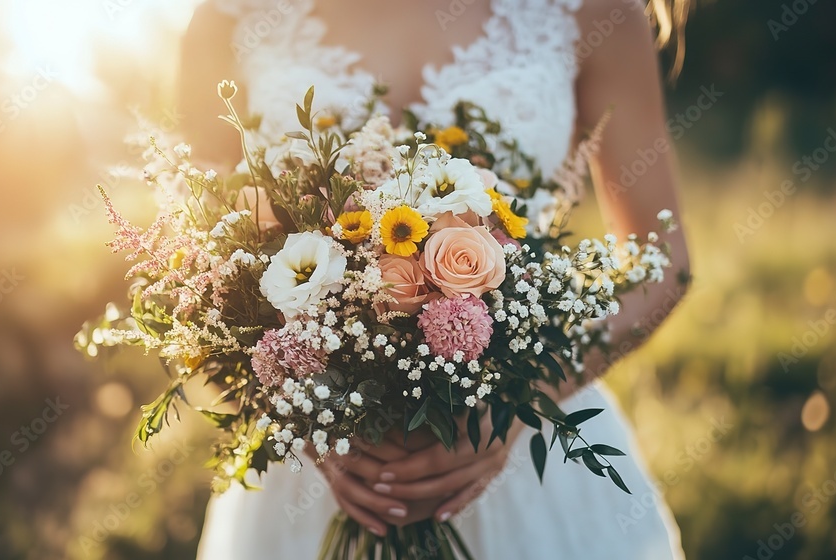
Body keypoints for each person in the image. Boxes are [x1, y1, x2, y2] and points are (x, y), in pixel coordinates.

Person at [179, 0, 692, 558]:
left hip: (515, 449)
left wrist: (521, 402)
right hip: (316, 463)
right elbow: (192, 259)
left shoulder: (595, 13)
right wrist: (305, 414)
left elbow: (662, 263)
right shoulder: (232, 15)